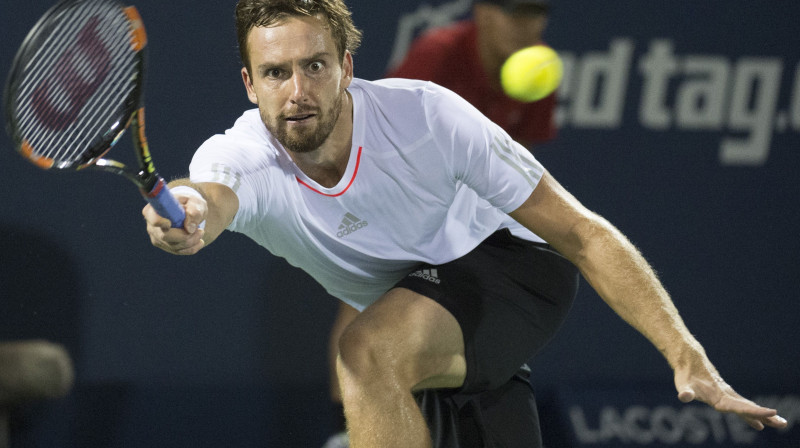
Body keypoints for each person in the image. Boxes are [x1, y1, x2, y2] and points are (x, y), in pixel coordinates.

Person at [142, 0, 788, 446]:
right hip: (420, 301)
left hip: (515, 268)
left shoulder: (427, 117)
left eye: (314, 65)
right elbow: (208, 198)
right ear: (249, 85)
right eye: (276, 73)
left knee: (367, 353)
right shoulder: (236, 157)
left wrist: (686, 354)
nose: (298, 90)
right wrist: (189, 215)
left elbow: (582, 232)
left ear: (347, 65)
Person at [324, 1, 557, 445]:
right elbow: (381, 129)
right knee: (364, 303)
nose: (529, 25)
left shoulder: (538, 69)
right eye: (516, 13)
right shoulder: (439, 53)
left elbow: (519, 167)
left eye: (537, 12)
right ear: (485, 13)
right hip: (393, 182)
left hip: (463, 206)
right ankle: (344, 435)